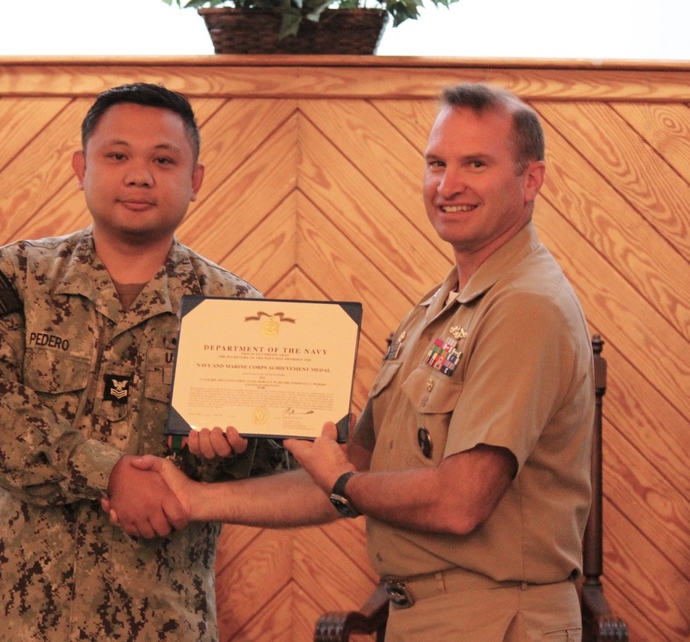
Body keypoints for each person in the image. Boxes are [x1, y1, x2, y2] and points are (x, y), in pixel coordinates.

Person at [119, 83, 594, 641]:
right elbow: (351, 464)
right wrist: (195, 496)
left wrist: (342, 479)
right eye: (437, 163)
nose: (449, 185)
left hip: (497, 620)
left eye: (476, 164)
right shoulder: (440, 309)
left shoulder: (523, 307)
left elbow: (459, 502)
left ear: (530, 179)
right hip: (426, 618)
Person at [0, 82, 284, 641]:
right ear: (81, 166)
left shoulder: (238, 311)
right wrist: (111, 474)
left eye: (164, 160)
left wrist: (231, 454)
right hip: (12, 619)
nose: (139, 175)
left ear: (195, 179)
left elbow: (279, 472)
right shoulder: (15, 279)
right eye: (117, 155)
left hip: (161, 618)